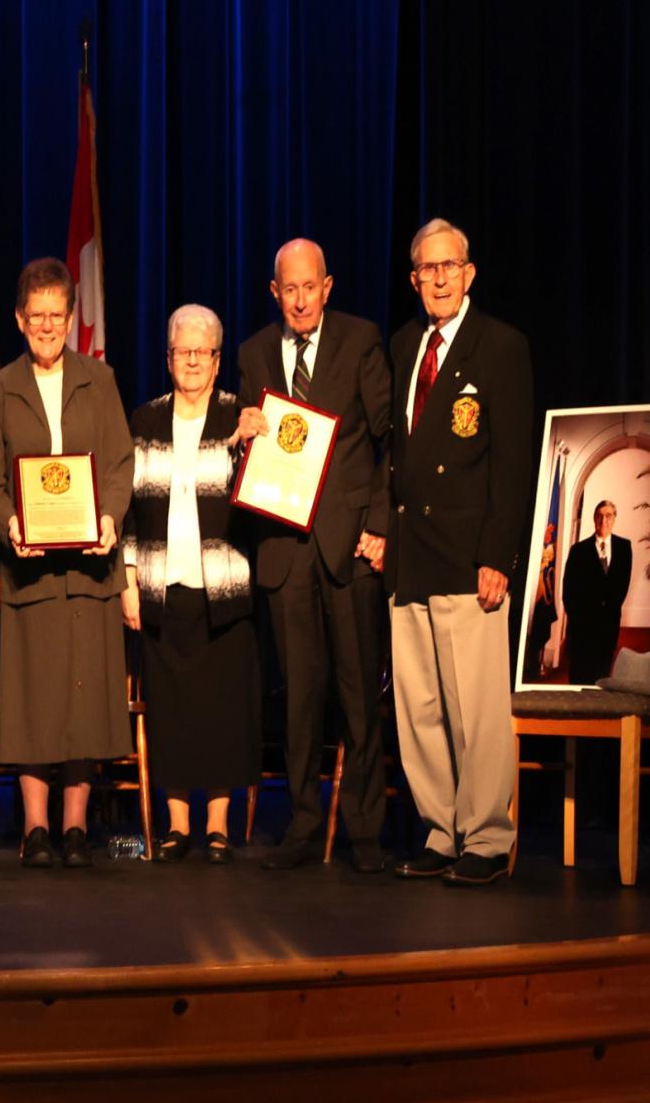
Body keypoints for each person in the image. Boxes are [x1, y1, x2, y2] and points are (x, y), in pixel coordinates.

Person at [236, 239, 391, 873]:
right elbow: (250, 453)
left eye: (310, 288)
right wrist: (239, 436)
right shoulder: (251, 354)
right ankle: (302, 825)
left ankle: (366, 832)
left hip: (348, 542)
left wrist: (379, 524)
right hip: (284, 546)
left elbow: (388, 442)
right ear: (275, 292)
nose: (300, 300)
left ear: (327, 287)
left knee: (358, 697)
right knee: (298, 696)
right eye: (288, 290)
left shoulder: (360, 340)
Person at [0, 257, 133, 869]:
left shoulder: (101, 379)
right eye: (35, 315)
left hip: (91, 569)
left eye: (55, 315)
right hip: (30, 571)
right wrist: (11, 522)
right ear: (20, 318)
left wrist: (110, 521)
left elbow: (118, 466)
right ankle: (36, 828)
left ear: (70, 318)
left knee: (84, 696)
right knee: (34, 698)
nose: (46, 326)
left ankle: (74, 827)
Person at [388, 218, 533, 887]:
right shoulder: (403, 346)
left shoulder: (499, 346)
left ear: (469, 273)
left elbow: (512, 463)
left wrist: (498, 556)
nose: (439, 279)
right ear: (415, 278)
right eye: (428, 269)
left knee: (475, 708)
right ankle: (441, 831)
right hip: (411, 555)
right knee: (419, 710)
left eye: (450, 267)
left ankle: (486, 836)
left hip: (469, 554)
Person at [121, 304, 259, 865]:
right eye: (183, 351)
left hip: (222, 588)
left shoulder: (239, 417)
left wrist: (251, 444)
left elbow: (262, 497)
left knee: (222, 708)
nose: (193, 360)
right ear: (169, 357)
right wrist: (128, 580)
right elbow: (127, 509)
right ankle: (178, 826)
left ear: (218, 359)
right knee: (172, 709)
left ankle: (219, 826)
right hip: (160, 585)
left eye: (203, 351)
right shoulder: (145, 419)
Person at [561, 500, 632, 685]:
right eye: (600, 515)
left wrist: (609, 610)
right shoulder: (578, 550)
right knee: (579, 674)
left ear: (614, 519)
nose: (604, 520)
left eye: (608, 515)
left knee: (602, 674)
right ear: (594, 519)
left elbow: (623, 584)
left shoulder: (624, 548)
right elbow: (568, 589)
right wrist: (576, 618)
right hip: (582, 625)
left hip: (608, 623)